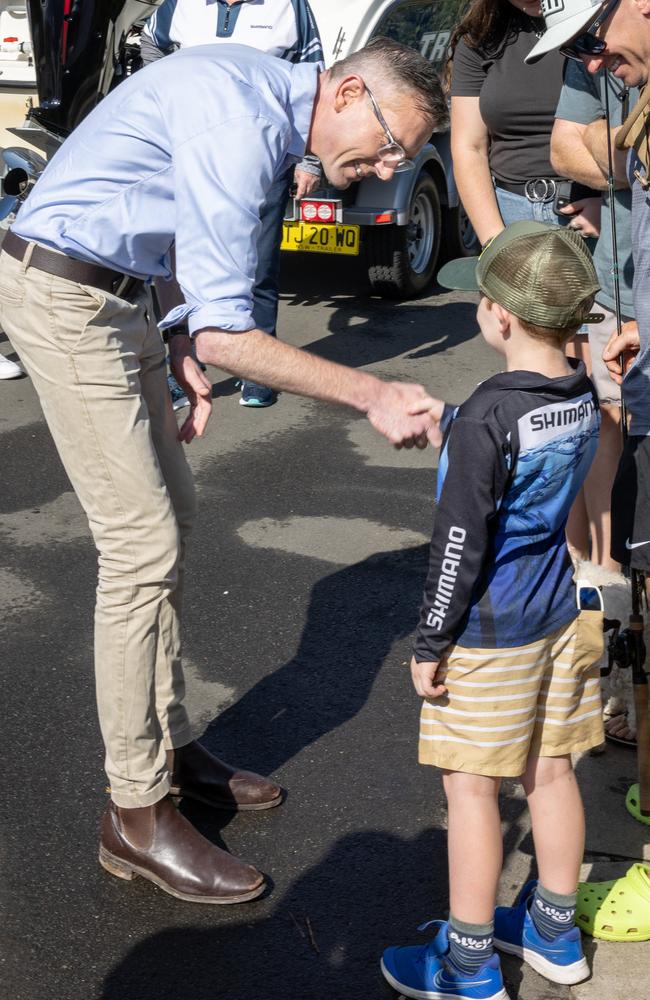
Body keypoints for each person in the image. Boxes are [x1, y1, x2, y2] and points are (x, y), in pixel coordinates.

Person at [0, 38, 447, 905]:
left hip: (121, 294)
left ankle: (168, 744)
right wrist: (372, 395)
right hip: (66, 298)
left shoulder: (260, 108)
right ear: (350, 89)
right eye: (392, 141)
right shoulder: (241, 116)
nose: (390, 165)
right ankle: (135, 812)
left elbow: (161, 216)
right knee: (139, 546)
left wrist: (172, 331)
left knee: (176, 509)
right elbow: (229, 334)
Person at [380, 222, 605, 999]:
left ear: (500, 316)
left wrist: (428, 642)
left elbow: (457, 546)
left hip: (491, 633)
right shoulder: (578, 388)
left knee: (471, 789)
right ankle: (554, 929)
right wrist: (452, 422)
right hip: (557, 618)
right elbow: (527, 449)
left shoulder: (487, 417)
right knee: (551, 774)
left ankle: (468, 965)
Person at [141, 0, 325, 409]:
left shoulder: (289, 6)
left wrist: (309, 159)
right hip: (189, 154)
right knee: (178, 269)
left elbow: (314, 81)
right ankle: (183, 367)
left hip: (267, 157)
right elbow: (150, 44)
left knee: (257, 266)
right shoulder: (179, 5)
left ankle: (258, 370)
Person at [551, 64, 637, 573]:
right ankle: (609, 578)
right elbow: (563, 149)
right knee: (608, 424)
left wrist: (600, 139)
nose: (592, 62)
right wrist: (632, 160)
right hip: (613, 287)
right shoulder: (591, 55)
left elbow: (589, 145)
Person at [447, 0, 600, 248]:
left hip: (591, 213)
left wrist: (613, 206)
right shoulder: (480, 38)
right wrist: (495, 241)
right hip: (509, 216)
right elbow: (469, 148)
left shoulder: (601, 23)